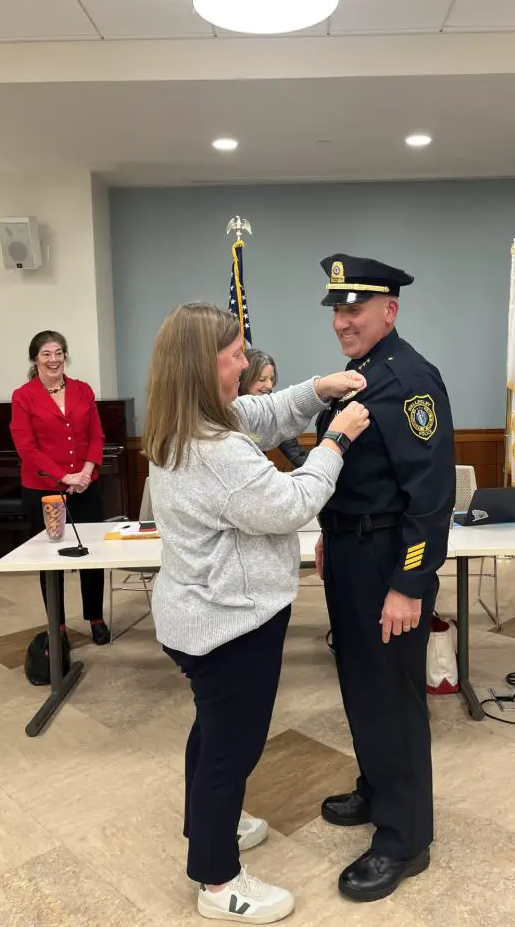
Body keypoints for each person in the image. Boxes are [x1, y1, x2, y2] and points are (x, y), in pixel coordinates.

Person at [142, 302, 369, 924]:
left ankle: (209, 825)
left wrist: (318, 389)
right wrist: (335, 439)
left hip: (199, 615)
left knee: (213, 732)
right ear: (201, 365)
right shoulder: (213, 448)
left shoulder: (185, 421)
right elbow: (290, 503)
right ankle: (218, 881)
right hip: (228, 624)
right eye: (236, 355)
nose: (247, 365)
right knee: (231, 751)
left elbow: (264, 412)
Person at [314, 254, 455, 902]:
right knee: (359, 681)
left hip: (386, 562)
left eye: (356, 308)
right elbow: (356, 475)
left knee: (393, 696)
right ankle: (377, 788)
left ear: (388, 310)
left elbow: (428, 498)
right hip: (349, 551)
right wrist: (328, 533)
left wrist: (409, 584)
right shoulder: (358, 375)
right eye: (338, 309)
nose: (344, 320)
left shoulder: (409, 380)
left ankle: (405, 837)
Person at [10, 331, 110, 645]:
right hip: (44, 490)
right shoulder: (23, 396)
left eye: (58, 353)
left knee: (91, 555)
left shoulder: (82, 390)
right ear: (35, 359)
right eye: (46, 354)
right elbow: (26, 448)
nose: (53, 360)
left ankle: (95, 617)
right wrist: (63, 477)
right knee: (50, 558)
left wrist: (86, 471)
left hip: (85, 485)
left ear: (65, 355)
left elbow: (97, 436)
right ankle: (59, 625)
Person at [239, 348, 309, 468]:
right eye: (262, 380)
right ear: (246, 378)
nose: (269, 386)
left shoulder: (271, 408)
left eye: (271, 379)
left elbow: (293, 450)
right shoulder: (231, 407)